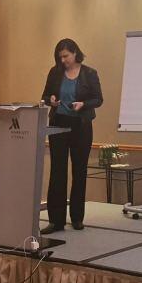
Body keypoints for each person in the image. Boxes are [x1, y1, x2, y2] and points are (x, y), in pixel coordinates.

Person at [40, 38, 103, 233]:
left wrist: (83, 104)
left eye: (66, 56)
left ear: (75, 53)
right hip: (58, 124)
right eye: (60, 57)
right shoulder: (55, 72)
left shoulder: (89, 73)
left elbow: (98, 99)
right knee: (57, 172)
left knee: (79, 171)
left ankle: (77, 218)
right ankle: (56, 220)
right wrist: (51, 100)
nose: (63, 60)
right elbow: (45, 96)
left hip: (80, 126)